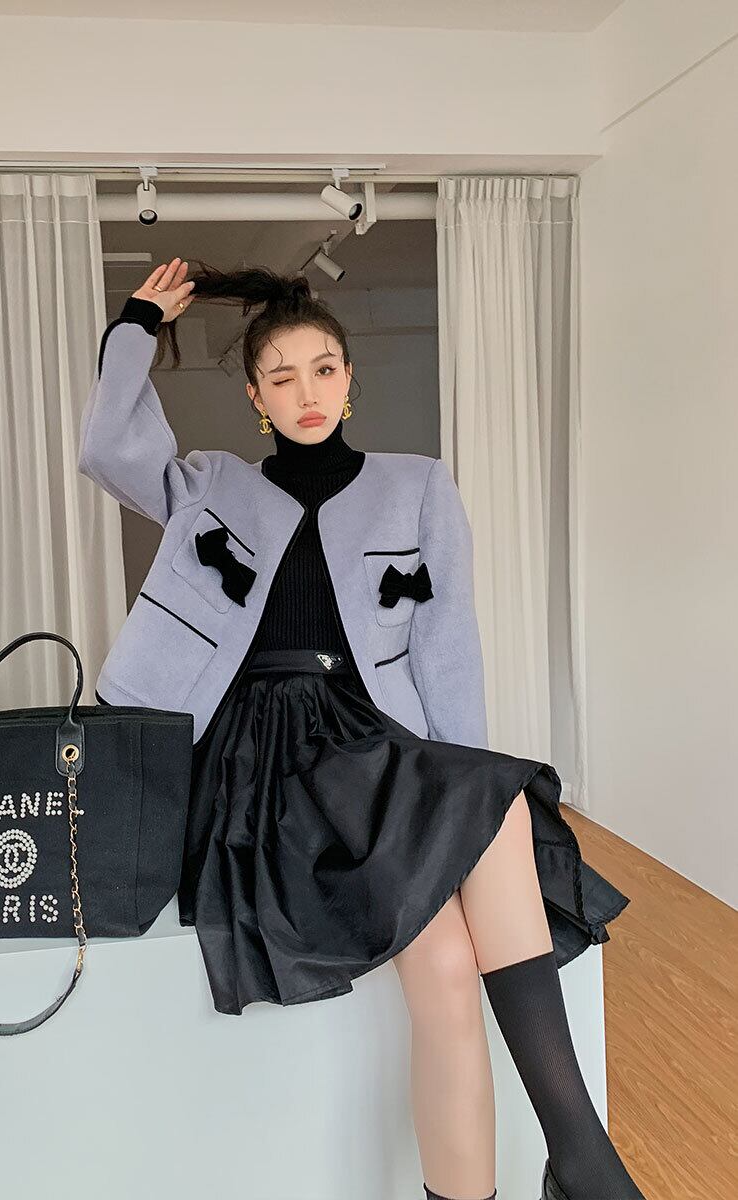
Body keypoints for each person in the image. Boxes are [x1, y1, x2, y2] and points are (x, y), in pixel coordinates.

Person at [80, 258, 646, 1200]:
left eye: (324, 369)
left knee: (452, 949)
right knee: (476, 859)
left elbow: (448, 649)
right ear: (256, 397)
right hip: (261, 764)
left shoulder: (417, 487)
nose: (307, 393)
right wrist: (137, 323)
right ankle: (585, 1163)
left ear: (349, 378)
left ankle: (558, 1165)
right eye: (282, 377)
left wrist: (459, 801)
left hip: (375, 743)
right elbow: (107, 446)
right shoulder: (209, 486)